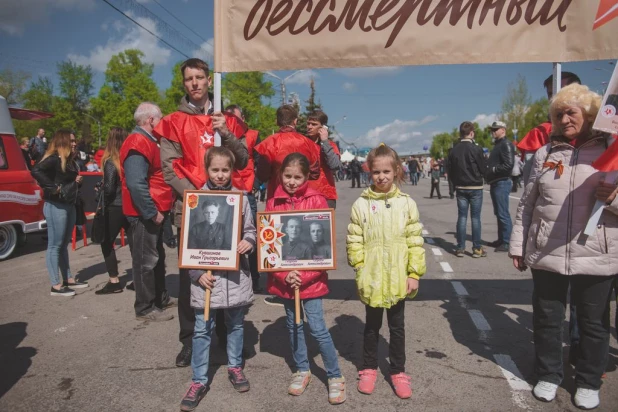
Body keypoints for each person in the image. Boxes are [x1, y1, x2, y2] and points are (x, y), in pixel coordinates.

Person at [509, 84, 616, 410]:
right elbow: (527, 203)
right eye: (559, 113)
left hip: (595, 253)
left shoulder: (612, 152)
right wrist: (518, 243)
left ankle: (587, 380)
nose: (565, 118)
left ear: (591, 114)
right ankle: (549, 374)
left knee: (594, 324)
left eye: (572, 112)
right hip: (546, 251)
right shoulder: (545, 154)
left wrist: (613, 199)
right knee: (546, 318)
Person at [156, 58, 249, 367]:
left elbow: (245, 160)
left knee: (226, 274)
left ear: (209, 80)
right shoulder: (172, 121)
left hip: (228, 210)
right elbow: (169, 171)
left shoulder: (226, 118)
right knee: (191, 279)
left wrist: (229, 132)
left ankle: (225, 334)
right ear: (184, 83)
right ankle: (189, 340)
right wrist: (199, 198)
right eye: (188, 79)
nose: (194, 83)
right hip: (191, 209)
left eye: (199, 77)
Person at [265, 153, 346, 405]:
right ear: (280, 175)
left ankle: (335, 375)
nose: (291, 181)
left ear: (306, 176)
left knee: (319, 327)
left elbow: (322, 248)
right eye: (287, 176)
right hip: (286, 280)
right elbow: (269, 246)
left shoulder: (317, 200)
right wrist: (284, 275)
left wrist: (305, 276)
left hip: (311, 281)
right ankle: (301, 369)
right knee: (293, 325)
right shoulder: (273, 202)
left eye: (297, 177)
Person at [346, 143, 425, 399]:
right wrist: (359, 268)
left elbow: (415, 239)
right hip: (372, 277)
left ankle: (398, 370)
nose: (381, 177)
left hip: (398, 277)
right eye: (376, 172)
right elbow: (354, 238)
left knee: (397, 327)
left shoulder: (406, 203)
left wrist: (413, 273)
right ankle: (368, 367)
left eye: (386, 172)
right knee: (371, 326)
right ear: (370, 172)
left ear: (396, 172)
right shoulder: (361, 204)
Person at [180, 147, 256, 411]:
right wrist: (197, 273)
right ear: (207, 170)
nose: (221, 175)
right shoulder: (196, 200)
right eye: (216, 170)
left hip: (234, 279)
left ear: (232, 171)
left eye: (225, 170)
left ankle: (235, 367)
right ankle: (198, 380)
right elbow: (187, 245)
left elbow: (251, 230)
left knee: (235, 325)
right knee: (202, 330)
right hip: (206, 281)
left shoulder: (241, 199)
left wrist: (248, 241)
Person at [120, 102, 175, 322]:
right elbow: (135, 183)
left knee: (156, 258)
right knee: (145, 261)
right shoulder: (138, 142)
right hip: (145, 214)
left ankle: (160, 299)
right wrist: (151, 212)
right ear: (151, 120)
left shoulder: (147, 141)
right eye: (159, 119)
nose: (161, 123)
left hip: (153, 210)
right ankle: (145, 307)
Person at [31, 129, 88, 296]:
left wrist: (76, 181)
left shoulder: (69, 160)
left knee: (63, 244)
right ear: (62, 141)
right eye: (71, 140)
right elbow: (36, 170)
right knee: (55, 245)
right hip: (56, 205)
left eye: (74, 140)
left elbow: (66, 180)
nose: (74, 143)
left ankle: (68, 279)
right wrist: (53, 188)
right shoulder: (54, 158)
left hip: (68, 204)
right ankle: (55, 285)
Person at [517, 72, 581, 185]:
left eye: (561, 92)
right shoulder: (539, 133)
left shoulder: (599, 131)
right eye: (551, 94)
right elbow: (530, 183)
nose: (554, 98)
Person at [226, 104, 262, 292]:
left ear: (243, 118)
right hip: (227, 192)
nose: (233, 121)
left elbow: (261, 161)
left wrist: (256, 183)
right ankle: (231, 276)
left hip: (247, 192)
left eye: (236, 118)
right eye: (229, 117)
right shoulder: (220, 134)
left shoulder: (253, 135)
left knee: (251, 236)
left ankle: (255, 279)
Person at [255, 105, 320, 200]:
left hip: (277, 197)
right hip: (303, 197)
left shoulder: (268, 143)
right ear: (295, 121)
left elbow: (262, 175)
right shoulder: (309, 144)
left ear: (276, 121)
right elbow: (315, 173)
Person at [96, 127, 131, 295]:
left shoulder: (111, 161)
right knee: (135, 243)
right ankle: (139, 280)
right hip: (130, 205)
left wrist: (101, 191)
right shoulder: (129, 159)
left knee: (106, 241)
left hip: (115, 206)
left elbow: (109, 188)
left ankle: (114, 280)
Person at [448, 121, 487, 258]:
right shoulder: (477, 149)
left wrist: (451, 188)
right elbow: (483, 168)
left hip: (460, 187)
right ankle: (476, 248)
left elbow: (450, 171)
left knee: (462, 217)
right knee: (475, 218)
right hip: (475, 186)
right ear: (471, 133)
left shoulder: (454, 150)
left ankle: (460, 248)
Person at [486, 120, 515, 252]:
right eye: (492, 129)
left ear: (503, 130)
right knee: (498, 213)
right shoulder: (498, 144)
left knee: (503, 213)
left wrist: (492, 170)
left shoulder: (506, 144)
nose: (493, 132)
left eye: (496, 129)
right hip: (496, 181)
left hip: (502, 181)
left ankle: (507, 241)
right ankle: (501, 239)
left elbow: (509, 165)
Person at [306, 111, 342, 209]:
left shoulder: (331, 145)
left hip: (326, 195)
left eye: (314, 124)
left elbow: (335, 165)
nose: (309, 126)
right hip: (305, 195)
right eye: (308, 123)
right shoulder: (302, 143)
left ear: (323, 127)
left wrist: (325, 142)